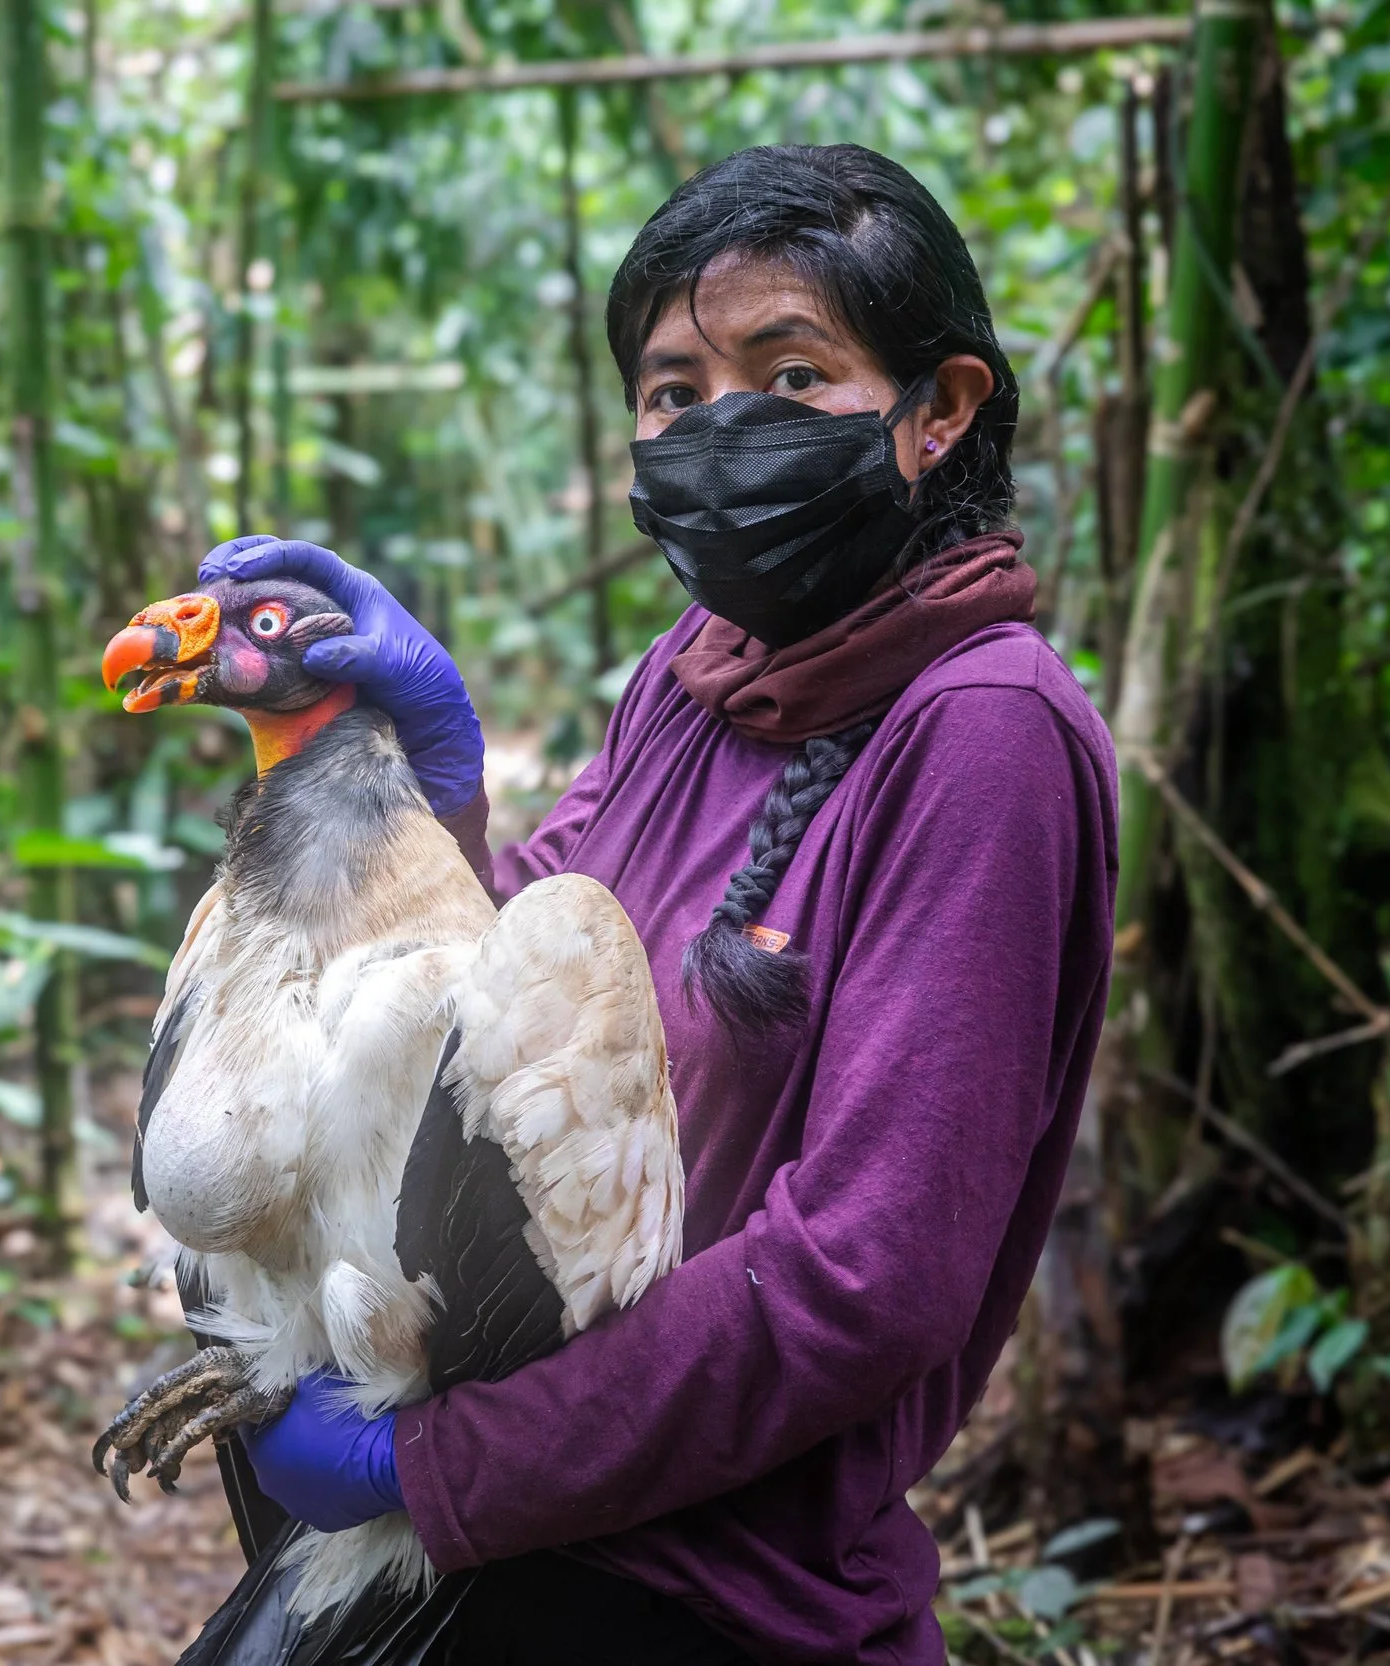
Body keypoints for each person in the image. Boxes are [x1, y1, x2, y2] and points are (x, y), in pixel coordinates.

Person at [205, 143, 1117, 1665]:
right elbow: (502, 1002)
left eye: (793, 374)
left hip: (707, 1595)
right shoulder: (695, 671)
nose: (720, 424)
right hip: (512, 1533)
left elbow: (862, 1280)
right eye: (674, 391)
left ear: (940, 409)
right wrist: (420, 785)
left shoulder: (985, 732)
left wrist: (429, 1468)